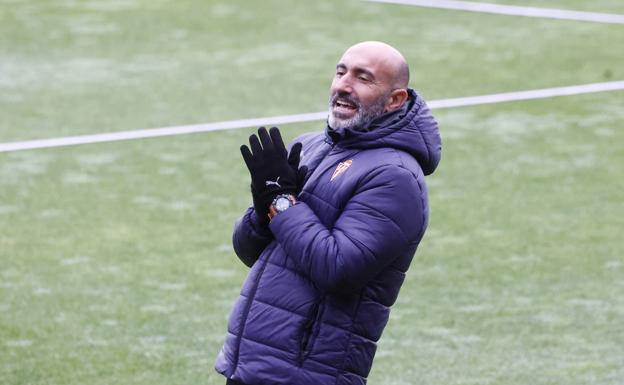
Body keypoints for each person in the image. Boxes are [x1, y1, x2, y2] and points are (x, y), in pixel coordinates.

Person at [215, 41, 441, 385]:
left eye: (363, 78)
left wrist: (282, 205)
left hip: (308, 372)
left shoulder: (395, 177)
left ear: (395, 100)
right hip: (255, 364)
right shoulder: (311, 146)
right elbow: (251, 252)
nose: (343, 85)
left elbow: (337, 269)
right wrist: (264, 210)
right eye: (341, 72)